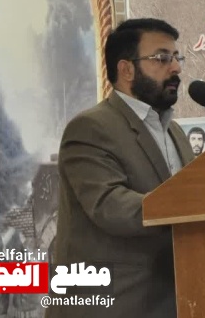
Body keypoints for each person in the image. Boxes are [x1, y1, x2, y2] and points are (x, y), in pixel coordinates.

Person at [48, 18, 193, 318]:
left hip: (172, 302)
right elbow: (110, 206)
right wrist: (189, 205)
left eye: (177, 57)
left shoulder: (175, 133)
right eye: (162, 58)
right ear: (126, 69)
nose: (176, 68)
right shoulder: (90, 128)